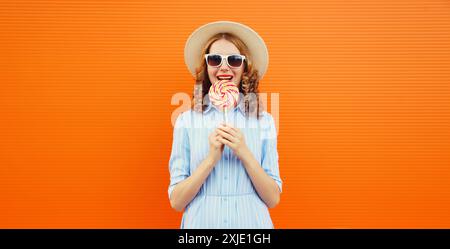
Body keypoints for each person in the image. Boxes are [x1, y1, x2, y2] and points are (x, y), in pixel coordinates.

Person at [168, 21, 282, 228]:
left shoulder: (264, 121)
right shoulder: (186, 121)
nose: (224, 67)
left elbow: (273, 199)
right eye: (214, 59)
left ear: (245, 66)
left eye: (234, 60)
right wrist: (210, 159)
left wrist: (244, 152)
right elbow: (176, 201)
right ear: (206, 66)